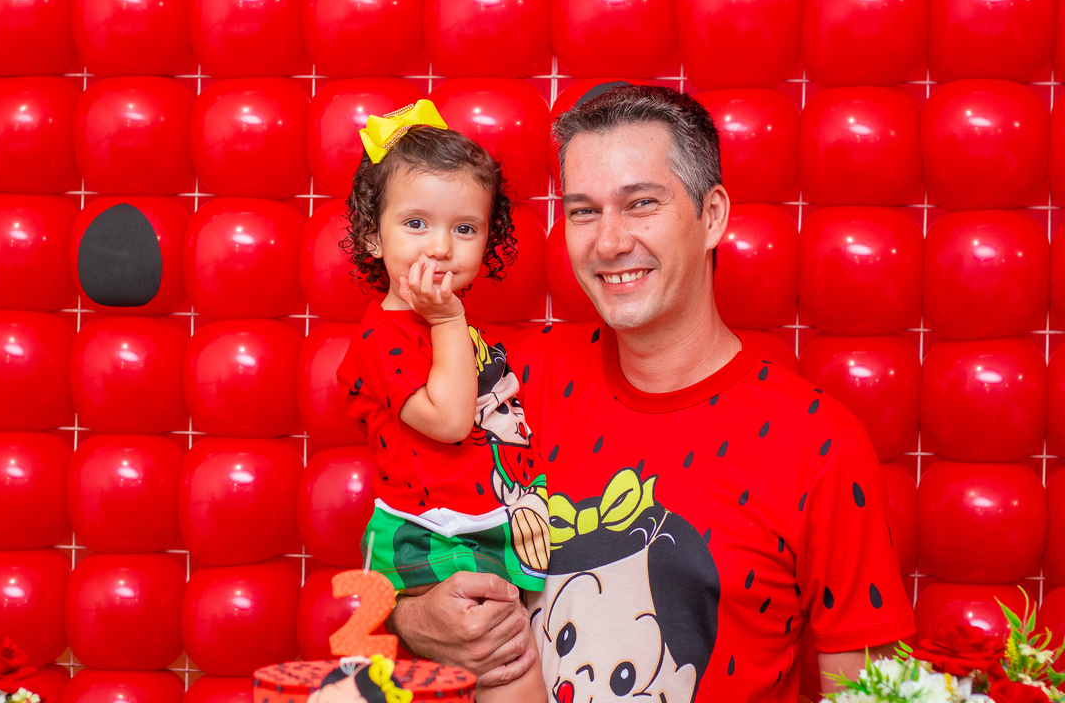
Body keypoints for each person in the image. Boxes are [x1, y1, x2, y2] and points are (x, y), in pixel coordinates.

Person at [386, 85, 915, 703]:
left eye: (640, 203)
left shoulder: (821, 445)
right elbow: (386, 564)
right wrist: (416, 619)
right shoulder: (499, 380)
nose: (608, 242)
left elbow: (871, 693)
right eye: (584, 211)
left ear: (712, 215)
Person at [336, 100, 551, 703]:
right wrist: (449, 319)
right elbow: (453, 421)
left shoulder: (460, 331)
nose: (440, 247)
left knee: (513, 667)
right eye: (415, 224)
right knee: (507, 670)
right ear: (371, 237)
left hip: (483, 523)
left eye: (464, 228)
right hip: (429, 530)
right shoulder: (384, 335)